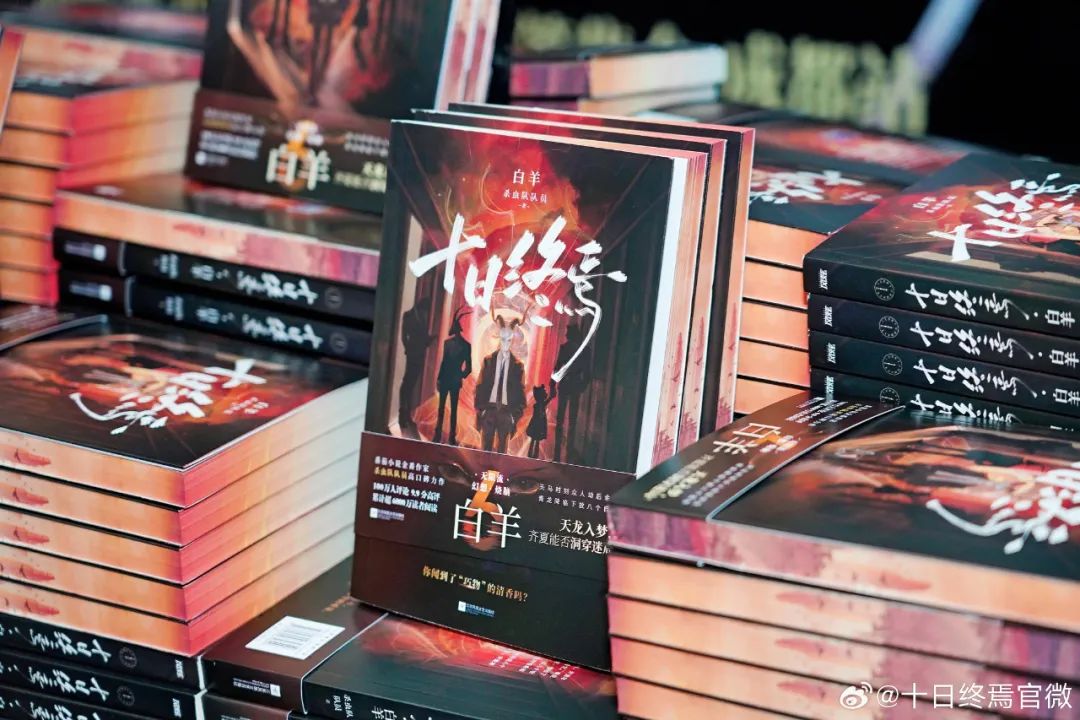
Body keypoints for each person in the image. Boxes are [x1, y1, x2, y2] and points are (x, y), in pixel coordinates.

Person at [433, 307, 472, 445]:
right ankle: (440, 435)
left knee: (451, 409)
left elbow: (469, 368)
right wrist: (441, 378)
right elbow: (444, 362)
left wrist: (459, 375)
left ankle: (450, 437)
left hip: (451, 380)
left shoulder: (464, 345)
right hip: (448, 380)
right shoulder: (450, 343)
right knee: (443, 408)